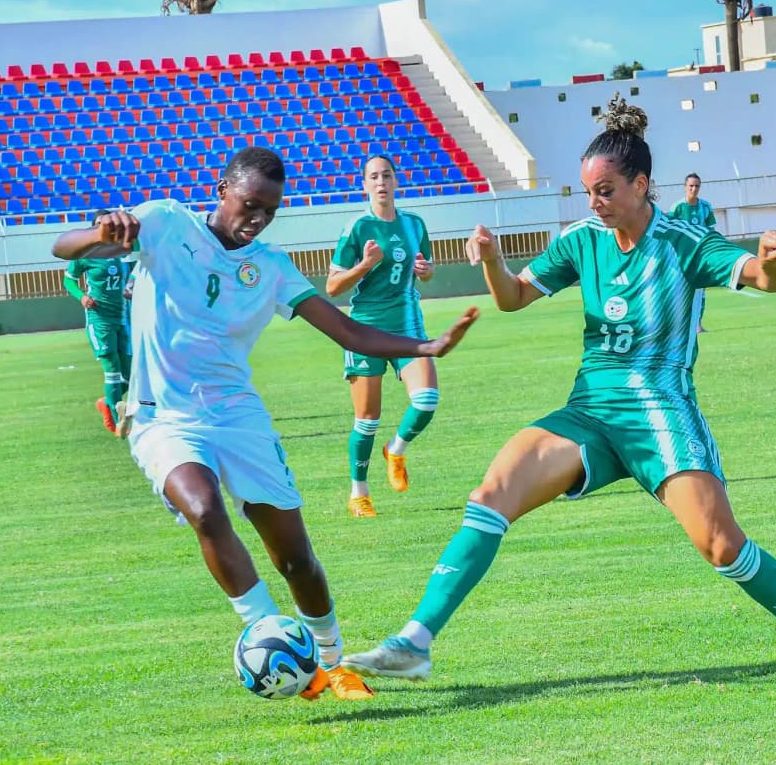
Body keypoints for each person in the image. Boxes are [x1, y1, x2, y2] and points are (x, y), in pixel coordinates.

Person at [343, 95, 776, 681]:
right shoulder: (583, 239)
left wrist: (771, 260)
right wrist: (489, 261)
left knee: (721, 546)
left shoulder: (684, 243)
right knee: (492, 493)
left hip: (660, 413)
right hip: (590, 412)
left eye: (606, 191)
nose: (595, 203)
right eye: (588, 192)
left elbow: (766, 281)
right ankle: (415, 641)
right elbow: (511, 298)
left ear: (641, 184)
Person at [50, 146, 478, 700]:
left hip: (239, 417)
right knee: (203, 508)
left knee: (296, 558)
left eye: (270, 211)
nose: (257, 219)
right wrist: (98, 233)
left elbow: (347, 331)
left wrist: (428, 345)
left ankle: (331, 660)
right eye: (250, 204)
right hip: (165, 417)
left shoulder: (271, 267)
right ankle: (270, 635)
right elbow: (65, 248)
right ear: (223, 189)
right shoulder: (162, 223)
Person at [324, 155, 438, 518]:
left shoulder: (415, 224)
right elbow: (332, 286)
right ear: (365, 185)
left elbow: (427, 272)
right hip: (366, 328)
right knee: (368, 419)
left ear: (396, 180)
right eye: (373, 177)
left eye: (386, 175)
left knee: (427, 400)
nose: (381, 182)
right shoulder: (357, 228)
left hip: (407, 324)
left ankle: (397, 449)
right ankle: (359, 493)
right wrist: (365, 265)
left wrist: (426, 270)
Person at [63, 209, 133, 435]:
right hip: (99, 318)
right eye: (100, 225)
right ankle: (117, 423)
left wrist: (131, 286)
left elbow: (137, 270)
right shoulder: (87, 253)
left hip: (123, 317)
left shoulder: (125, 250)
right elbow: (69, 279)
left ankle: (107, 403)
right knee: (112, 369)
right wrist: (81, 296)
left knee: (130, 375)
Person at [668, 173, 715, 333]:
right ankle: (678, 325)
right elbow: (669, 231)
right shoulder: (677, 207)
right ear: (685, 187)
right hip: (681, 257)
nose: (694, 189)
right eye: (691, 186)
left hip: (699, 257)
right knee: (680, 291)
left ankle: (697, 325)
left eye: (697, 186)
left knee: (700, 292)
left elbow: (711, 231)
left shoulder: (706, 207)